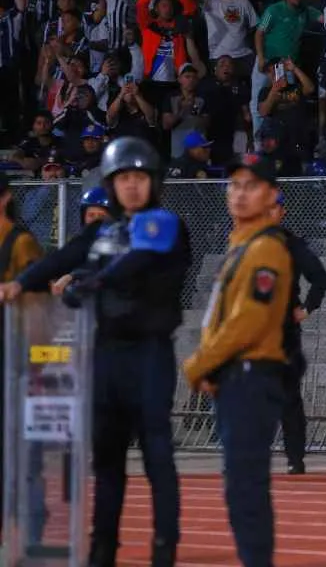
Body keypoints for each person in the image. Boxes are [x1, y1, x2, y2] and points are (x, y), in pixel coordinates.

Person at [0, 137, 190, 567]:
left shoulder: (163, 223)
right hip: (106, 356)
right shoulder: (102, 231)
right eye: (124, 178)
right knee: (106, 458)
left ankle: (164, 546)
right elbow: (65, 256)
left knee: (157, 454)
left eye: (140, 177)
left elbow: (138, 260)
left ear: (154, 182)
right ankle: (102, 548)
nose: (132, 185)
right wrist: (20, 283)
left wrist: (94, 280)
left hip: (149, 355)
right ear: (111, 183)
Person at [181, 153, 293, 567]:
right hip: (236, 376)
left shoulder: (265, 250)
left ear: (272, 196)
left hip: (252, 377)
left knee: (245, 487)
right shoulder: (241, 247)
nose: (240, 194)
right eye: (235, 186)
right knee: (240, 486)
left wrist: (199, 363)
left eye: (251, 187)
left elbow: (248, 322)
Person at [269, 189, 326, 475]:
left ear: (282, 212)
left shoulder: (292, 245)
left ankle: (295, 457)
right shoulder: (242, 242)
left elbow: (319, 278)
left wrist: (307, 308)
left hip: (282, 331)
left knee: (288, 396)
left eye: (274, 208)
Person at [0, 175, 45, 526]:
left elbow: (38, 306)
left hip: (13, 359)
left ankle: (30, 527)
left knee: (21, 450)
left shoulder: (21, 242)